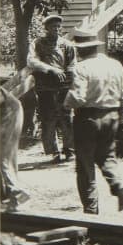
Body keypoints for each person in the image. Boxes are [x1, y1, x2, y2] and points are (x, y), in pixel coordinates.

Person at [63, 28, 123, 215]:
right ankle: (118, 185)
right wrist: (122, 117)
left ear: (80, 49)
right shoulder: (115, 65)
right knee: (107, 156)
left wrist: (65, 104)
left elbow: (78, 97)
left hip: (88, 118)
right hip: (112, 115)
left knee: (85, 165)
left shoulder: (82, 68)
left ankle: (91, 211)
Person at [27, 14, 76, 162]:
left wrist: (72, 80)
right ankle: (53, 151)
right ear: (46, 28)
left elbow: (72, 64)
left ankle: (69, 150)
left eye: (58, 26)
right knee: (48, 119)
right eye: (53, 26)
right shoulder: (37, 43)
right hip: (45, 88)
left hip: (63, 87)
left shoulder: (66, 44)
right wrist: (51, 69)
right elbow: (31, 61)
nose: (56, 29)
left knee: (67, 118)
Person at [0, 68, 33, 211]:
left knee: (2, 156)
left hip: (8, 111)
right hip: (7, 108)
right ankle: (7, 196)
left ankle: (19, 195)